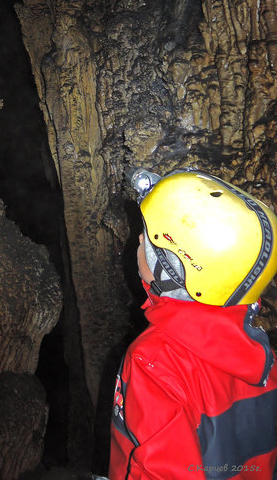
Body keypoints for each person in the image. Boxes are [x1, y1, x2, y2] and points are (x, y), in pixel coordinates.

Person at [109, 168, 277, 480]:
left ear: (172, 271)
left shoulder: (153, 362)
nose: (139, 240)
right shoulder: (260, 353)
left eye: (146, 241)